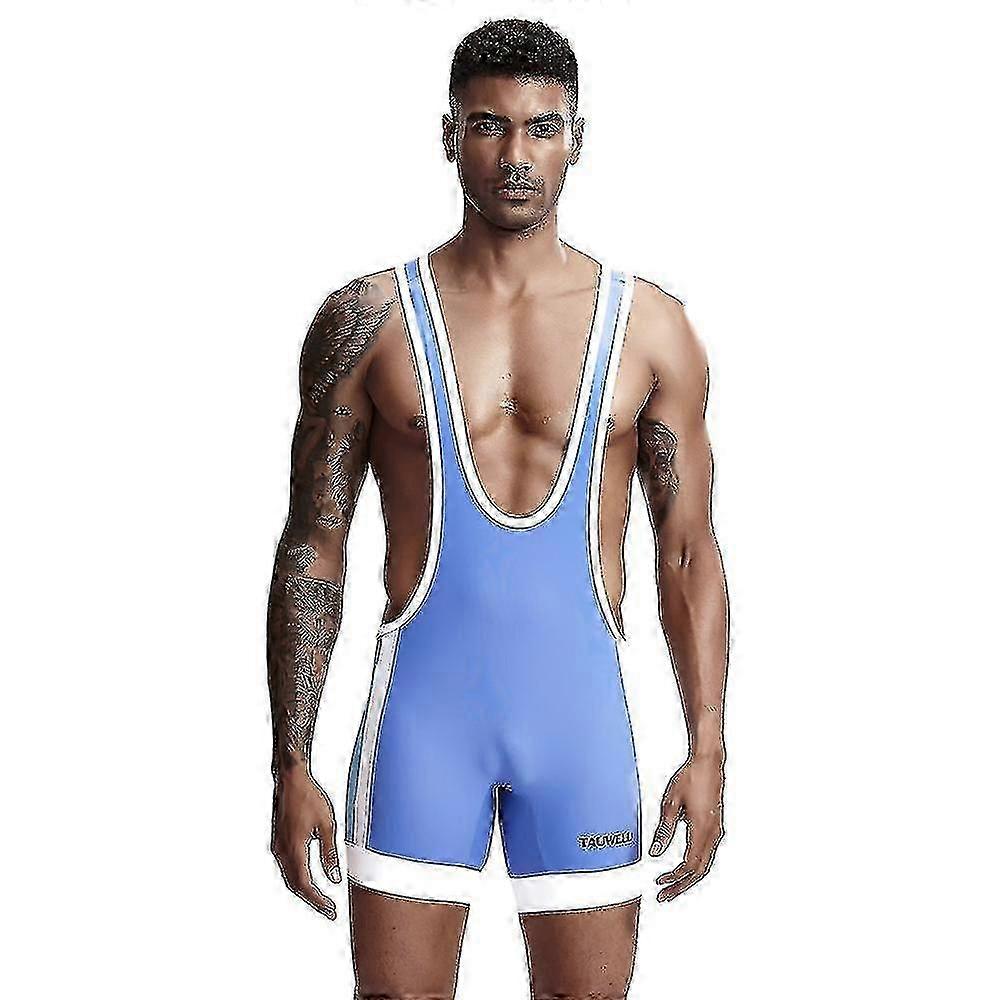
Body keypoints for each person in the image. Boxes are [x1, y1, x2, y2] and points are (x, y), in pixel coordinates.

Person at [266, 17, 729, 1000]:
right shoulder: (368, 320)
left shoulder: (651, 328)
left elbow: (687, 550)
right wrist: (291, 759)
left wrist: (708, 749)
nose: (517, 155)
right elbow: (314, 543)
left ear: (576, 139)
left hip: (580, 732)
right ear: (449, 135)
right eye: (489, 125)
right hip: (421, 730)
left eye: (541, 127)